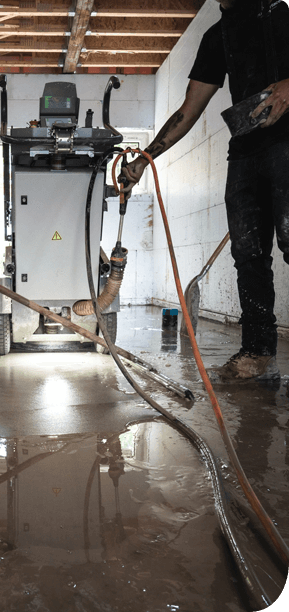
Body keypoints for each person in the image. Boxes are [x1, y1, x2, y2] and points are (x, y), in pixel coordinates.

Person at [121, 0, 289, 383]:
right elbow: (190, 108)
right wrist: (145, 159)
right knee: (247, 253)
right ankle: (258, 354)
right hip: (247, 147)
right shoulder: (219, 34)